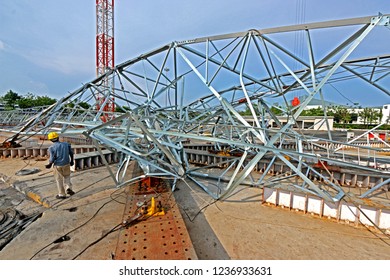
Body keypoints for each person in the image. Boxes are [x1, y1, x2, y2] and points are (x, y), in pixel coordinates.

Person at [45, 132, 75, 199]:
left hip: (58, 165)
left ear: (50, 140)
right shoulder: (66, 144)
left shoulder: (51, 148)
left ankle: (62, 194)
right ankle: (68, 188)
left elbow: (52, 158)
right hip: (66, 164)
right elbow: (71, 153)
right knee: (67, 176)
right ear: (58, 138)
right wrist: (72, 161)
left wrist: (49, 164)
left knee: (59, 180)